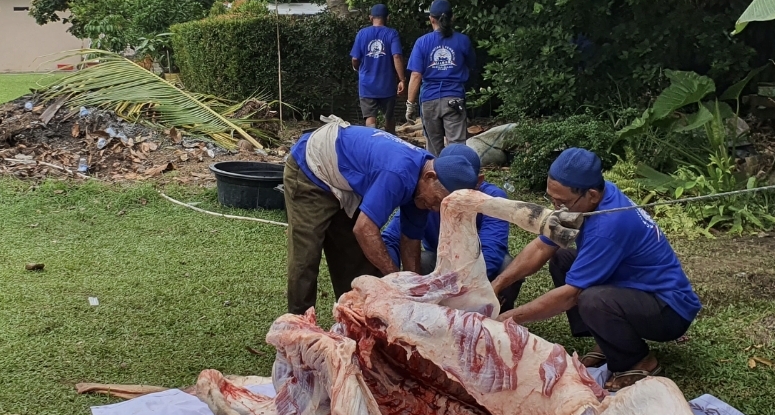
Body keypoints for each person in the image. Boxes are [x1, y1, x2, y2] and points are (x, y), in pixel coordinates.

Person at [490, 147, 701, 391]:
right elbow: (541, 247)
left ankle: (639, 361)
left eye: (563, 202)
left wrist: (507, 319)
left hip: (669, 310)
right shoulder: (592, 197)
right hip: (634, 289)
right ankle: (608, 340)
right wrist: (498, 284)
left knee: (590, 299)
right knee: (562, 256)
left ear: (591, 195)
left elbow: (569, 296)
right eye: (552, 199)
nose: (557, 207)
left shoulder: (609, 226)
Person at [284, 120, 460, 314]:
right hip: (312, 168)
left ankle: (355, 320)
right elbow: (364, 228)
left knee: (354, 258)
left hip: (346, 181)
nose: (435, 209)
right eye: (436, 201)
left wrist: (413, 291)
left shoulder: (423, 187)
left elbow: (411, 242)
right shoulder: (398, 173)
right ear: (430, 177)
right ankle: (297, 327)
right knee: (306, 255)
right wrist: (395, 281)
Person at [380, 144, 523, 310]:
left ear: (477, 182)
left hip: (478, 265)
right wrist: (394, 279)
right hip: (442, 265)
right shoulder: (426, 197)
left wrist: (461, 288)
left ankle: (497, 317)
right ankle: (436, 311)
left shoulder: (491, 198)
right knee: (424, 260)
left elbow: (493, 247)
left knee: (506, 265)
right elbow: (390, 238)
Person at [405, 0, 475, 154]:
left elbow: (416, 75)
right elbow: (471, 66)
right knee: (457, 147)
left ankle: (437, 177)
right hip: (454, 99)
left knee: (433, 149)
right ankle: (457, 177)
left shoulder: (422, 42)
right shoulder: (463, 41)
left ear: (431, 19)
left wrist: (410, 104)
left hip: (429, 101)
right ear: (453, 18)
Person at [350, 5, 405, 133]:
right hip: (387, 84)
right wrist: (402, 79)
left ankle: (372, 142)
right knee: (389, 116)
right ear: (388, 18)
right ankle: (390, 141)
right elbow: (396, 56)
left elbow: (355, 59)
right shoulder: (392, 33)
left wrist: (357, 69)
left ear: (370, 18)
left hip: (367, 84)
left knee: (370, 117)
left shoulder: (362, 34)